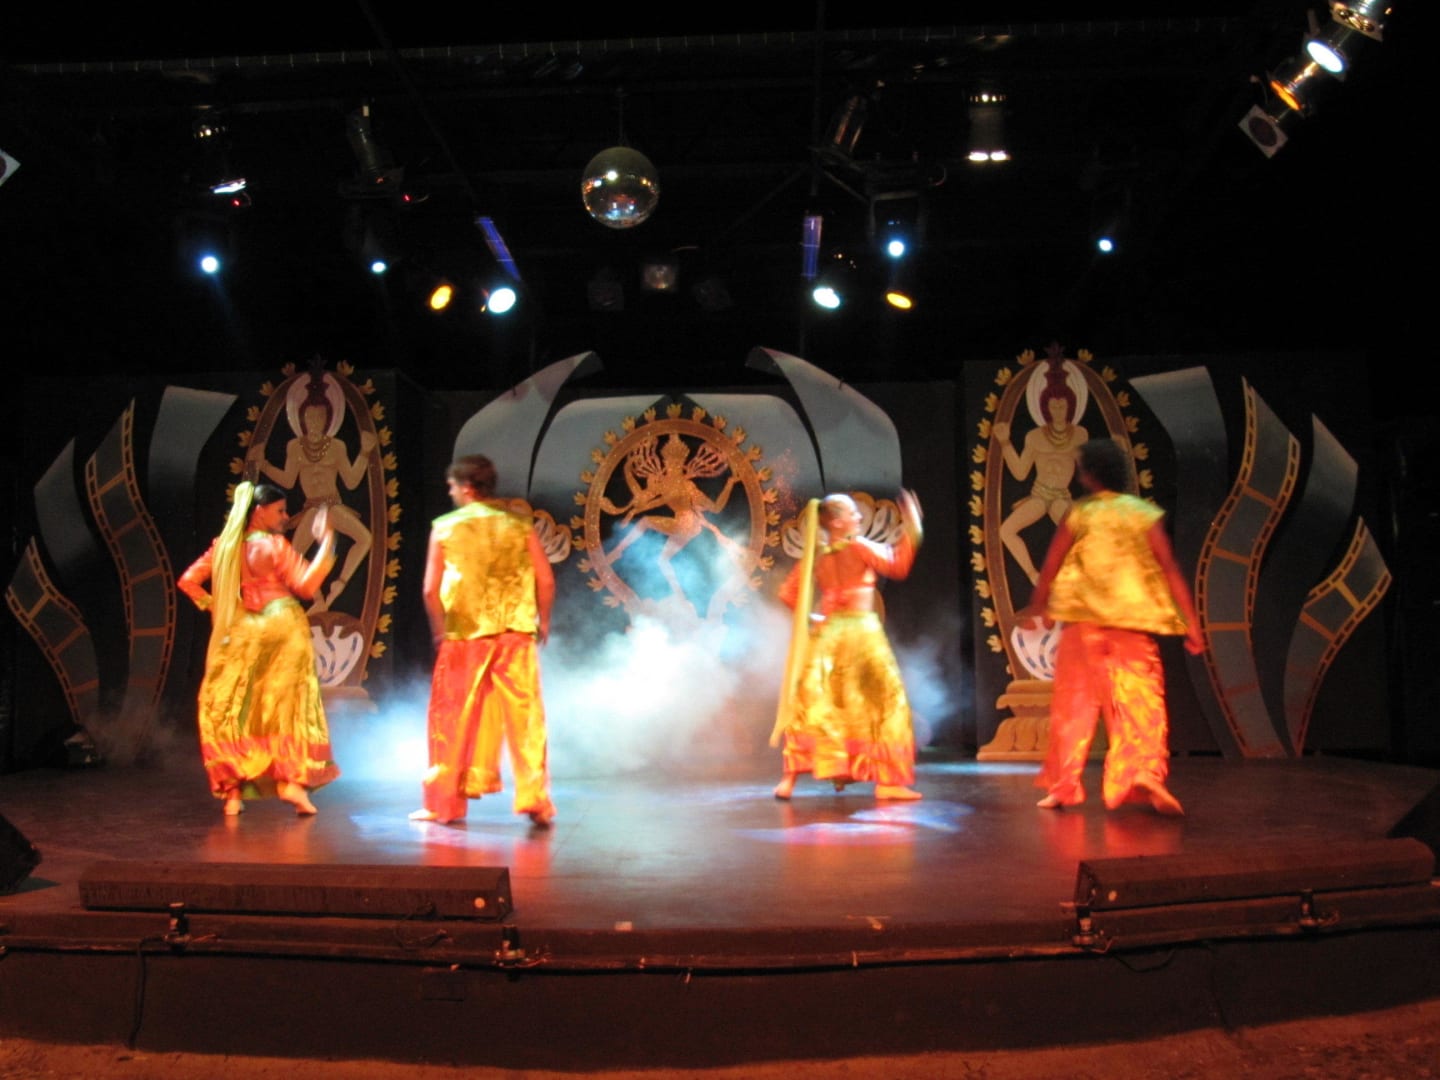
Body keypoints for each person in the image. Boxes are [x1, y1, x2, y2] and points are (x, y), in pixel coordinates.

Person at [1017, 439, 1204, 816]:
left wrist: (1040, 605)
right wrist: (1192, 623)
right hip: (1129, 628)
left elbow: (1052, 563)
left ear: (1087, 476)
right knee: (1140, 704)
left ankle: (1063, 786)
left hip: (1082, 628)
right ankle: (1143, 773)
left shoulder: (1080, 513)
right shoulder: (1143, 514)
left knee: (1072, 709)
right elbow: (1169, 568)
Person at [178, 482, 341, 816]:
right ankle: (290, 784)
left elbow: (188, 581)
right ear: (258, 511)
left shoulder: (225, 547)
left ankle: (233, 792)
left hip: (243, 633)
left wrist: (215, 606)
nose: (284, 517)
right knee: (285, 708)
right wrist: (327, 542)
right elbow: (307, 585)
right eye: (279, 510)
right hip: (283, 626)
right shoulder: (275, 546)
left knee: (236, 707)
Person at [410, 455, 557, 827]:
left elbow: (429, 590)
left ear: (467, 488)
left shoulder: (445, 528)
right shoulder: (519, 526)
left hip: (465, 636)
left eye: (452, 487)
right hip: (514, 634)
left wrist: (439, 631)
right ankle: (536, 800)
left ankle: (444, 804)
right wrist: (544, 620)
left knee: (452, 718)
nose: (451, 493)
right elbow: (545, 579)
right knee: (526, 718)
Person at [771, 490, 924, 801]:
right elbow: (897, 565)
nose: (858, 517)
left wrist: (814, 617)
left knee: (817, 702)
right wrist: (914, 527)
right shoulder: (858, 545)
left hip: (828, 636)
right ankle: (888, 781)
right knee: (885, 701)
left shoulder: (817, 555)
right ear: (838, 522)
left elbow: (788, 594)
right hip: (861, 635)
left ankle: (789, 781)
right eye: (853, 513)